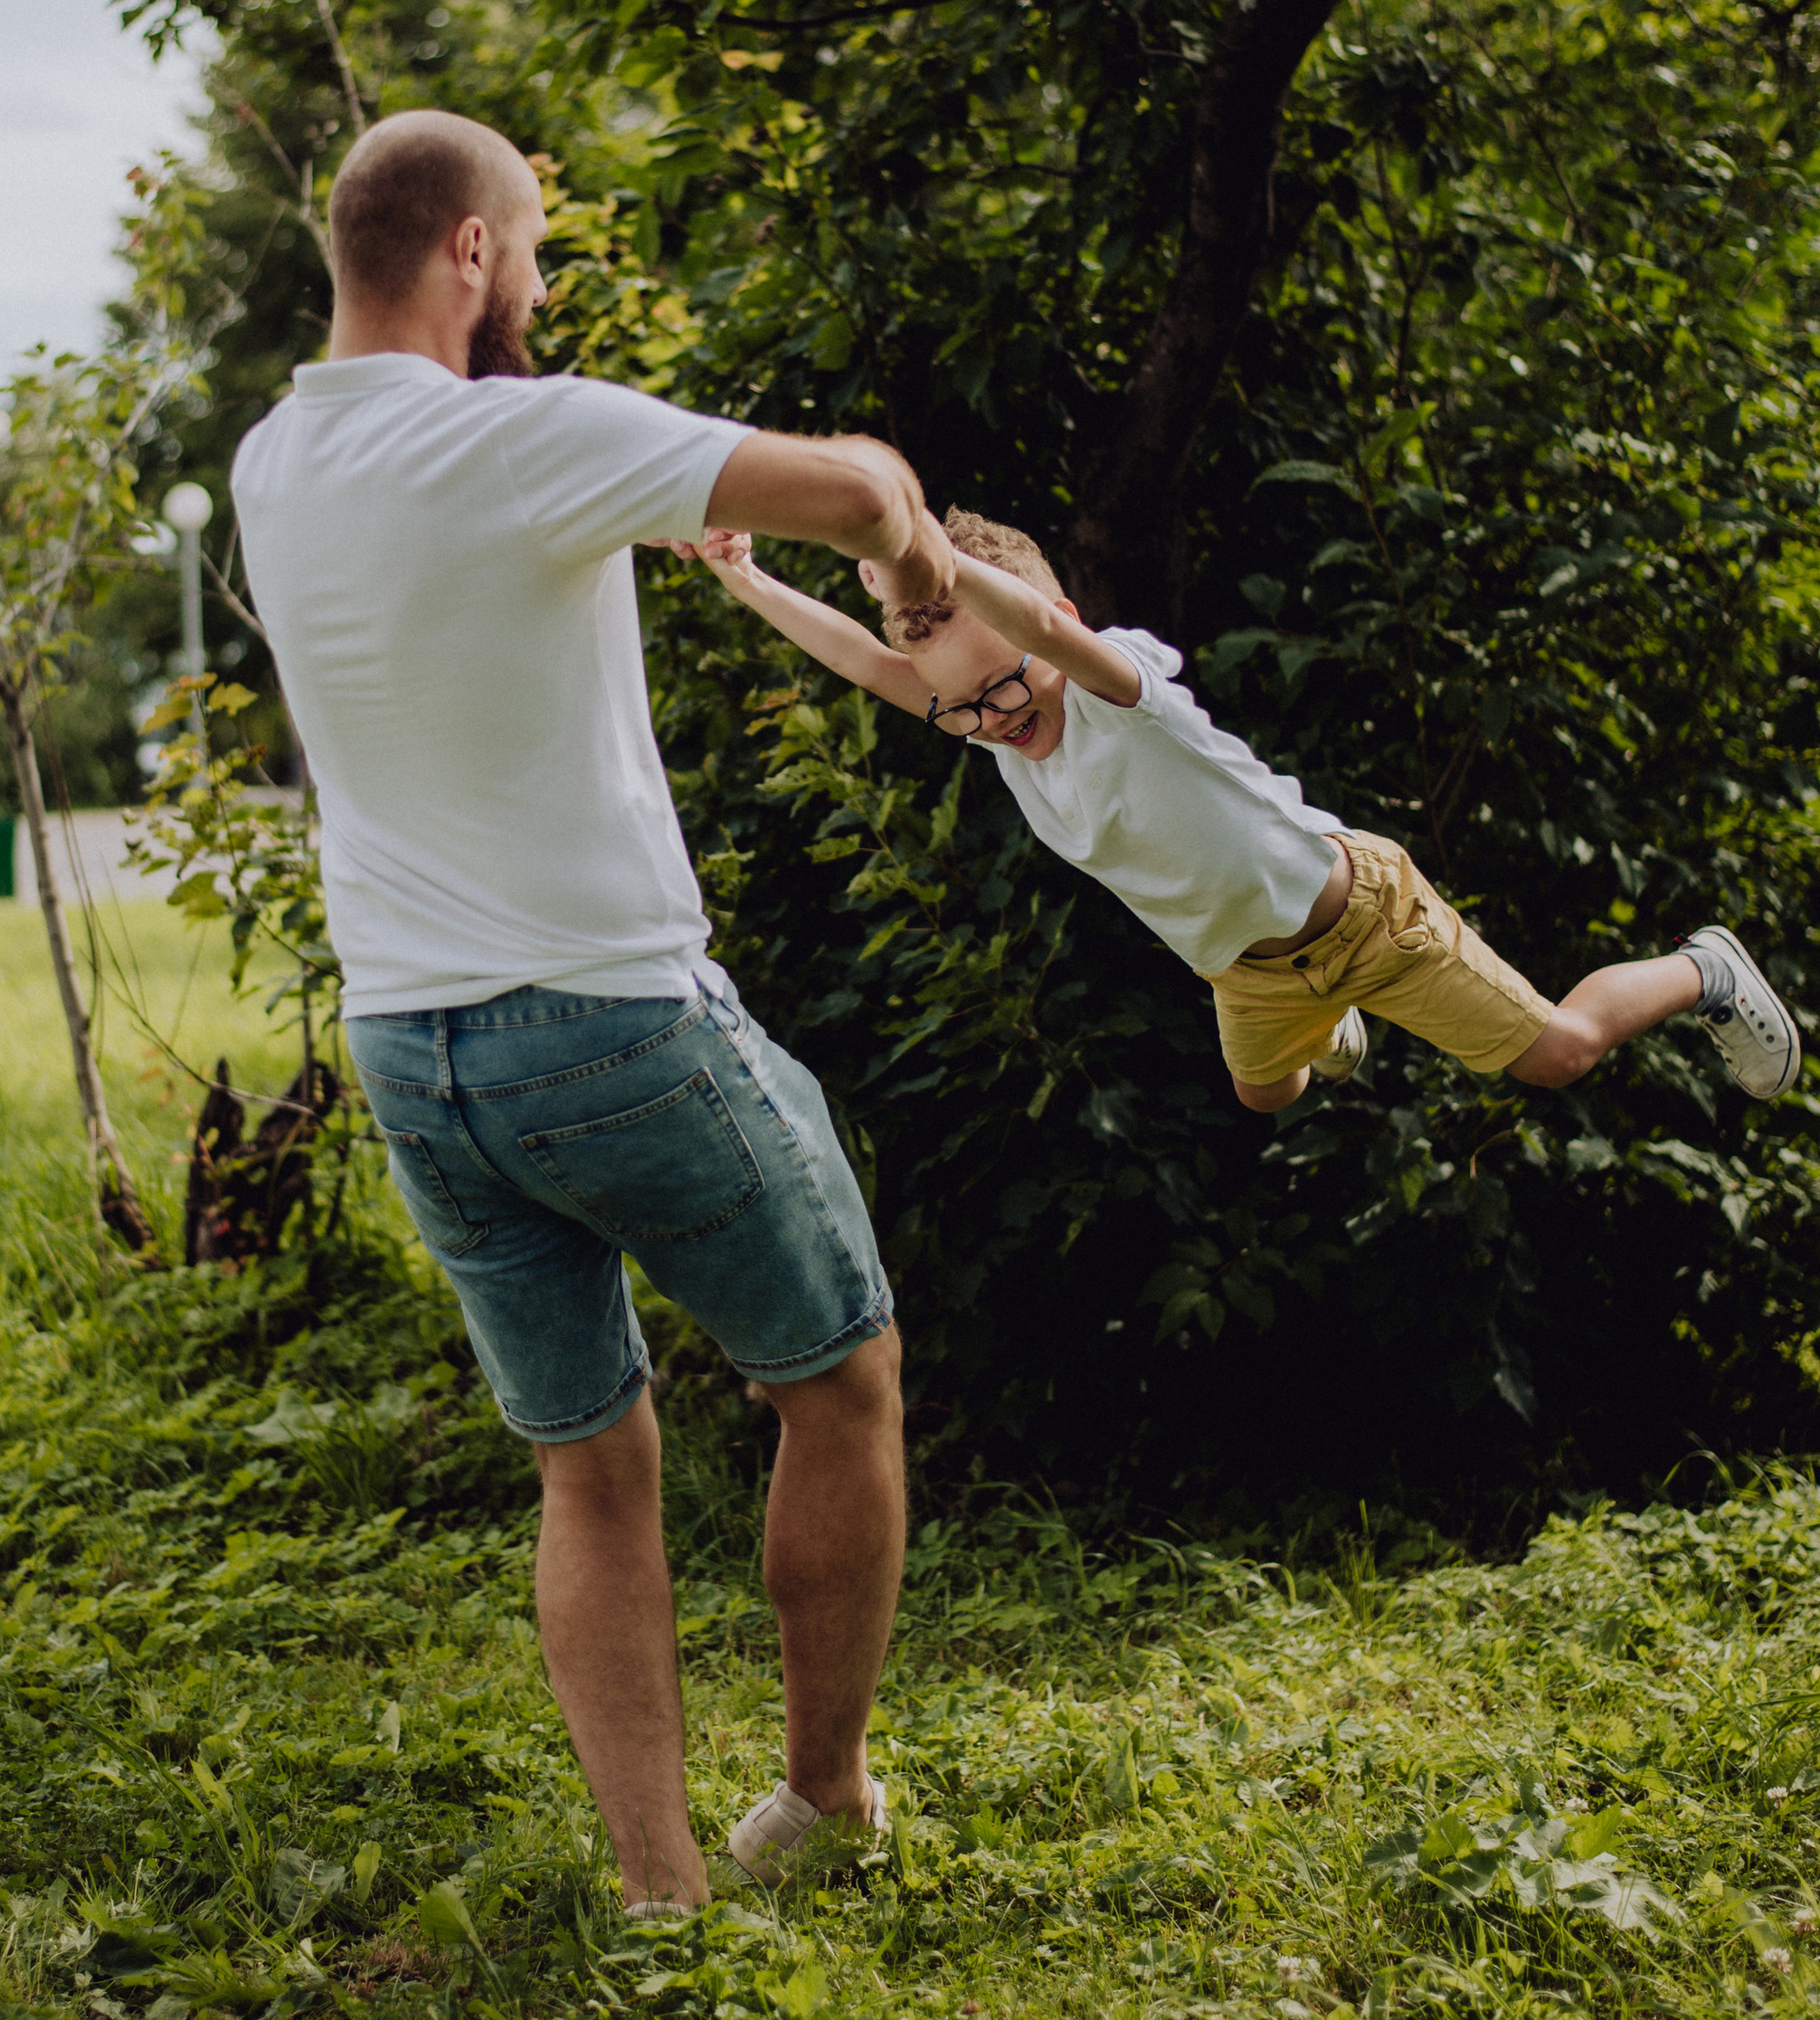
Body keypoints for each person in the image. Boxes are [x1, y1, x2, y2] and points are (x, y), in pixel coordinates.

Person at [229, 109, 958, 1915]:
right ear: (468, 251)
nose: (534, 291)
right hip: (607, 1018)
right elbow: (860, 487)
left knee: (591, 1462)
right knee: (841, 1375)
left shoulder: (267, 467)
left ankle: (657, 1890)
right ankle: (820, 1797)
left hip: (411, 1046)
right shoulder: (519, 437)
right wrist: (922, 583)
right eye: (530, 257)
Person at [686, 505, 1801, 1110]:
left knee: (1556, 1054)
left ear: (1048, 634)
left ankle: (1703, 969)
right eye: (965, 708)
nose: (994, 713)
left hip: (1366, 916)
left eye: (1008, 683)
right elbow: (870, 665)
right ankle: (1330, 1032)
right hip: (1251, 973)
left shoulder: (1119, 693)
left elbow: (1043, 638)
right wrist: (745, 579)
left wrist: (921, 552)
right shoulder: (992, 734)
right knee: (1266, 1097)